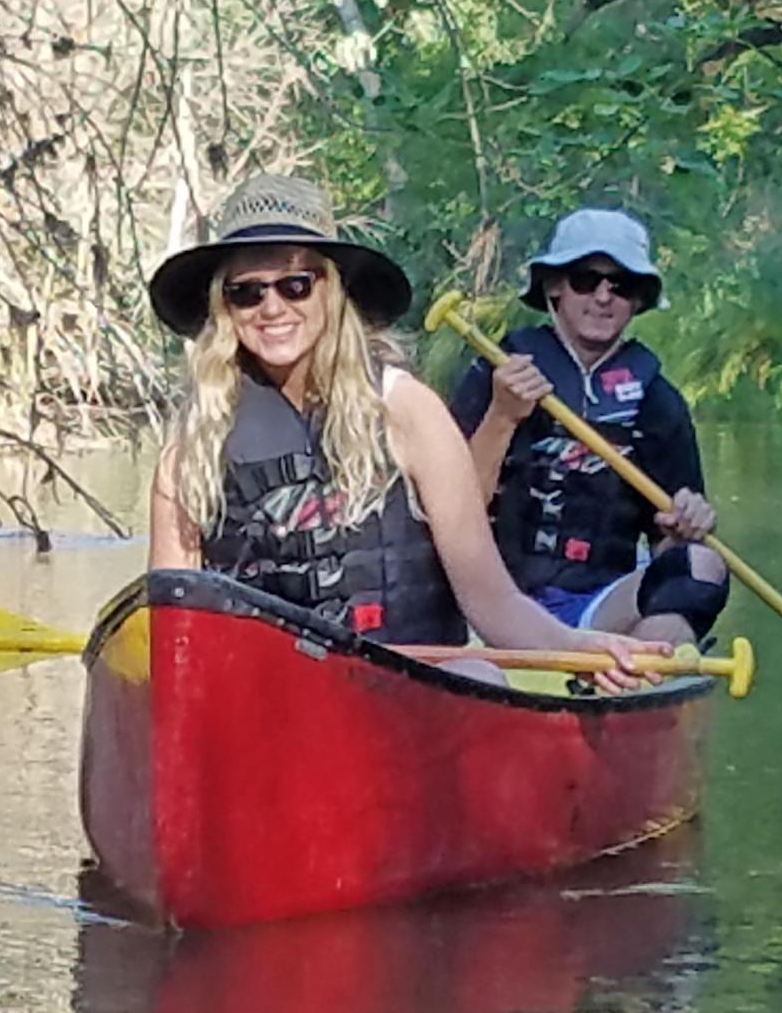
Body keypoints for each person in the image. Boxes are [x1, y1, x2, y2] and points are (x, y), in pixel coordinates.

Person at [145, 173, 662, 691]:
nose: (272, 308)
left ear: (332, 289)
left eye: (295, 284)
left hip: (407, 696)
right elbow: (172, 629)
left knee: (476, 671)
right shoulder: (193, 444)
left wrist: (578, 648)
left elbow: (491, 602)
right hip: (267, 703)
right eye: (247, 293)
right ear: (225, 307)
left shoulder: (408, 410)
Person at [449, 207, 730, 646]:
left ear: (639, 299)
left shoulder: (659, 402)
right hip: (491, 606)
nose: (603, 297)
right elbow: (445, 510)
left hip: (599, 613)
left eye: (622, 285)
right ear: (554, 287)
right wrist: (501, 418)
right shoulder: (496, 373)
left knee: (701, 566)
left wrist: (683, 530)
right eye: (585, 279)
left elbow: (664, 548)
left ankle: (625, 681)